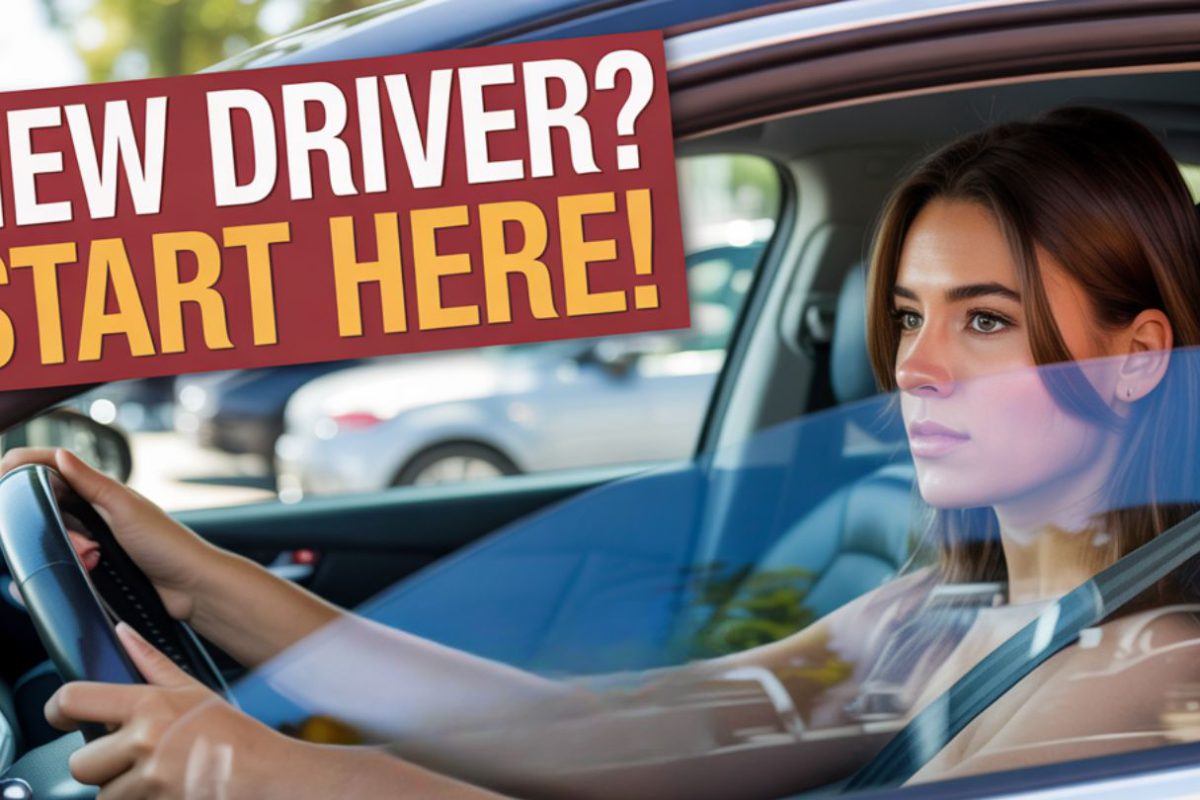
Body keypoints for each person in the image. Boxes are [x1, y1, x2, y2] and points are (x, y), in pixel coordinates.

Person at [6, 105, 1200, 799]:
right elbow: (596, 730)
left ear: (1138, 354)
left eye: (983, 319)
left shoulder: (1143, 671)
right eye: (907, 315)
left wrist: (281, 774)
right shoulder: (941, 606)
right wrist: (202, 576)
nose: (917, 367)